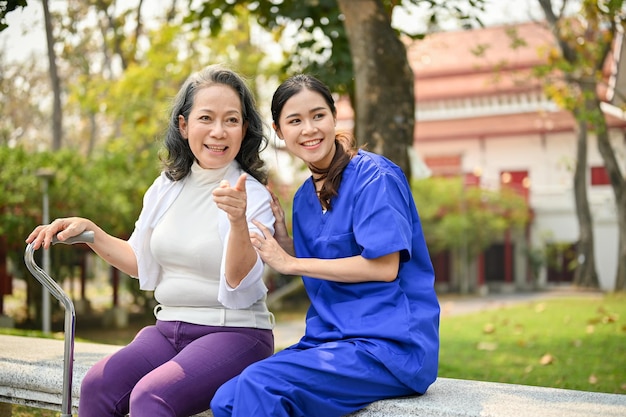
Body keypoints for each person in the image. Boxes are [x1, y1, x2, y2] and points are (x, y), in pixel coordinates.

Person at [25, 65, 276, 417]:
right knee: (97, 385)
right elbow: (140, 261)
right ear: (184, 125)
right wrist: (92, 232)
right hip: (167, 329)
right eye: (206, 118)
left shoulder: (251, 194)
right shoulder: (166, 188)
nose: (219, 132)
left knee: (151, 397)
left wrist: (237, 221)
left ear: (244, 128)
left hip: (234, 333)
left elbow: (239, 280)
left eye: (231, 120)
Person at [210, 74, 440, 417]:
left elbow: (384, 266)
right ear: (278, 130)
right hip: (331, 341)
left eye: (318, 115)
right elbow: (325, 265)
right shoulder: (304, 198)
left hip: (390, 346)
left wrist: (290, 263)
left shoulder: (375, 176)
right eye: (295, 121)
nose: (309, 129)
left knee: (260, 386)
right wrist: (285, 243)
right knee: (224, 399)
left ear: (334, 117)